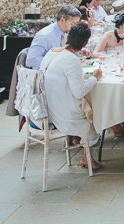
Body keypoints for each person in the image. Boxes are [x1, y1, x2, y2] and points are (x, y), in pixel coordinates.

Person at [41, 21, 102, 170]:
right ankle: (86, 157)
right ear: (86, 42)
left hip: (48, 108)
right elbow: (79, 91)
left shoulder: (54, 53)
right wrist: (96, 77)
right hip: (63, 116)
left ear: (68, 36)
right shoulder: (71, 60)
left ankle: (76, 141)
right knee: (96, 116)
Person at [26, 5, 83, 69]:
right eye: (72, 24)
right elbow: (31, 60)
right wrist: (58, 63)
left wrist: (79, 52)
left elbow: (66, 52)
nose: (74, 27)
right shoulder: (44, 35)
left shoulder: (66, 33)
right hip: (45, 76)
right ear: (62, 20)